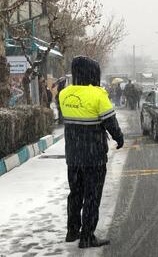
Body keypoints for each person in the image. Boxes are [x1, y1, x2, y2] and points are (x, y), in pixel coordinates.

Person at [59, 56, 124, 249]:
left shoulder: (64, 94)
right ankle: (87, 236)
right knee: (92, 197)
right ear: (93, 73)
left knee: (75, 194)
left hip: (73, 156)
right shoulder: (97, 94)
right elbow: (110, 122)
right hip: (93, 157)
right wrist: (119, 139)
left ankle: (72, 231)